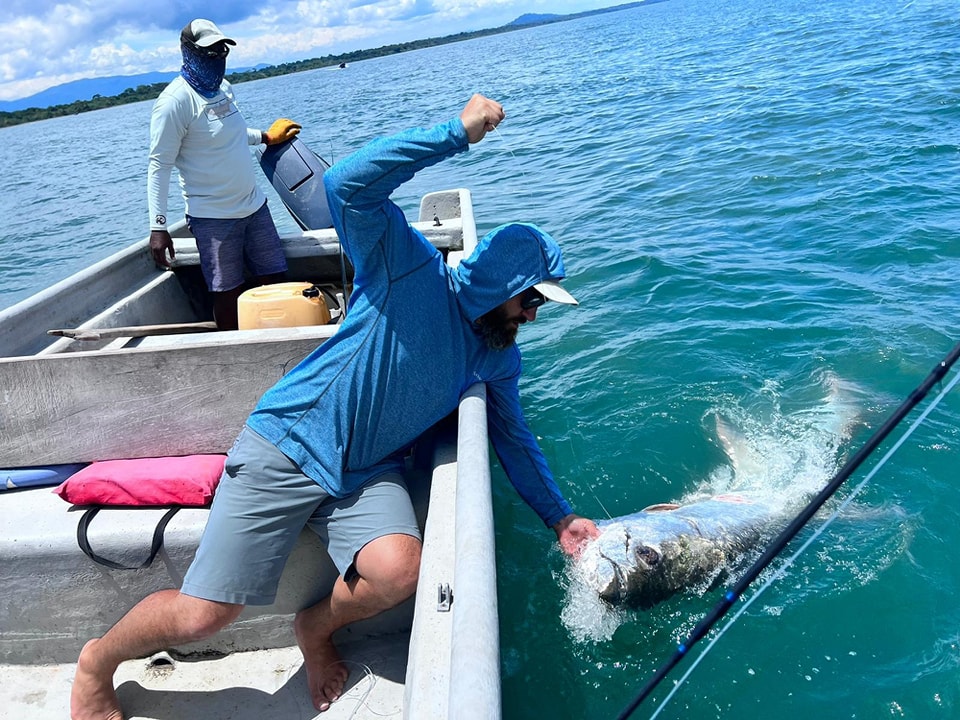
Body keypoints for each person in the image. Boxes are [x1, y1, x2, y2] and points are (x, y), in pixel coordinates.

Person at [71, 93, 600, 719]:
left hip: (363, 469)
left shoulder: (495, 354)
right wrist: (454, 134)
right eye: (531, 299)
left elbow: (513, 438)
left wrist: (560, 518)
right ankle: (95, 664)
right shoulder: (411, 268)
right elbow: (348, 185)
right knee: (204, 616)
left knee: (398, 571)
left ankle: (314, 627)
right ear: (502, 287)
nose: (535, 315)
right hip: (289, 442)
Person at [147, 18, 302, 330]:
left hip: (255, 207)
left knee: (274, 277)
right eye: (209, 52)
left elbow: (230, 133)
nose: (218, 58)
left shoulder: (224, 89)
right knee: (226, 292)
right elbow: (159, 165)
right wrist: (158, 227)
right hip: (213, 218)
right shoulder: (174, 103)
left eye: (222, 51)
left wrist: (266, 138)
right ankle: (235, 352)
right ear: (188, 53)